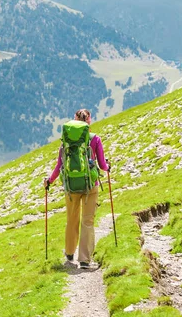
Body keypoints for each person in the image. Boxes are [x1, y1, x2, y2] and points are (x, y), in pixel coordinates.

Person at [44, 109, 109, 269]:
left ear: (74, 120)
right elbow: (102, 165)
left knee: (72, 220)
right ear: (89, 120)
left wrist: (49, 181)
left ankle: (70, 252)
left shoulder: (65, 142)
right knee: (88, 221)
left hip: (71, 187)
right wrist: (108, 166)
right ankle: (85, 259)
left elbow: (59, 166)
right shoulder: (95, 139)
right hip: (90, 186)